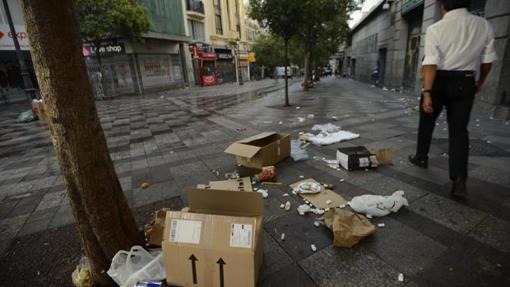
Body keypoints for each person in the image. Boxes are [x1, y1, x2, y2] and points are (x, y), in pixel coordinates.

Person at [409, 0, 497, 198]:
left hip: (439, 81)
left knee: (426, 120)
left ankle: (421, 157)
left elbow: (430, 63)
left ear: (443, 7)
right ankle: (459, 180)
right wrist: (480, 81)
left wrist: (427, 93)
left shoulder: (436, 28)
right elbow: (487, 60)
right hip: (466, 81)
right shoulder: (483, 25)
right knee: (459, 131)